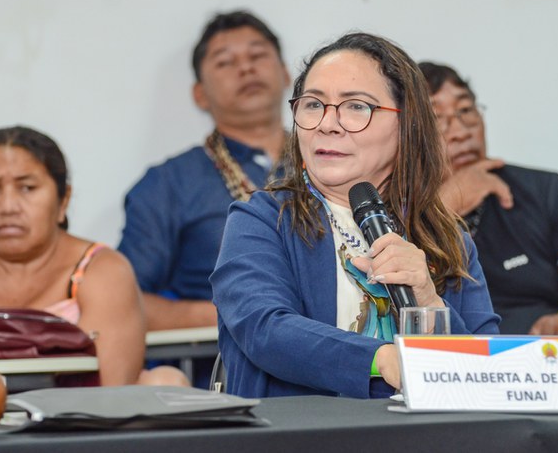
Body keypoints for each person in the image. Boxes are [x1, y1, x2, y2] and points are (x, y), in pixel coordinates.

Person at [211, 33, 500, 399]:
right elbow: (265, 328)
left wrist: (430, 301)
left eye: (356, 107)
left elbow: (489, 370)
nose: (327, 124)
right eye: (313, 104)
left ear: (406, 124)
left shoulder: (444, 235)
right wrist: (383, 359)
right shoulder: (263, 219)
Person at [0, 126, 187, 390]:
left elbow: (110, 394)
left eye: (27, 187)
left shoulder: (101, 271)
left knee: (166, 382)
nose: (8, 206)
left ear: (63, 200)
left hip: (72, 439)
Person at [419, 62, 558, 338]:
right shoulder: (389, 211)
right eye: (437, 117)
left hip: (546, 366)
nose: (461, 131)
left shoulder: (548, 193)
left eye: (466, 111)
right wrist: (444, 207)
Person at [118, 10, 290, 335]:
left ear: (286, 74)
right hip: (218, 372)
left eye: (257, 55)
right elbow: (122, 301)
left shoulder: (335, 163)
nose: (246, 67)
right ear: (199, 94)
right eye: (225, 62)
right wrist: (244, 313)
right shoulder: (168, 184)